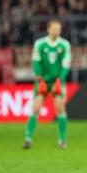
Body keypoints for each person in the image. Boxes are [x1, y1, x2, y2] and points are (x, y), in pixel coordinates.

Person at [23, 19, 71, 150]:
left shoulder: (65, 45)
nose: (57, 31)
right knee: (36, 108)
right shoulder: (40, 44)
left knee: (60, 108)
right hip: (43, 81)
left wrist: (60, 79)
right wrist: (39, 78)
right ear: (48, 29)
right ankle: (28, 138)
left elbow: (66, 65)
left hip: (57, 81)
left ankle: (62, 139)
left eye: (59, 29)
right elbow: (35, 61)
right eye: (55, 28)